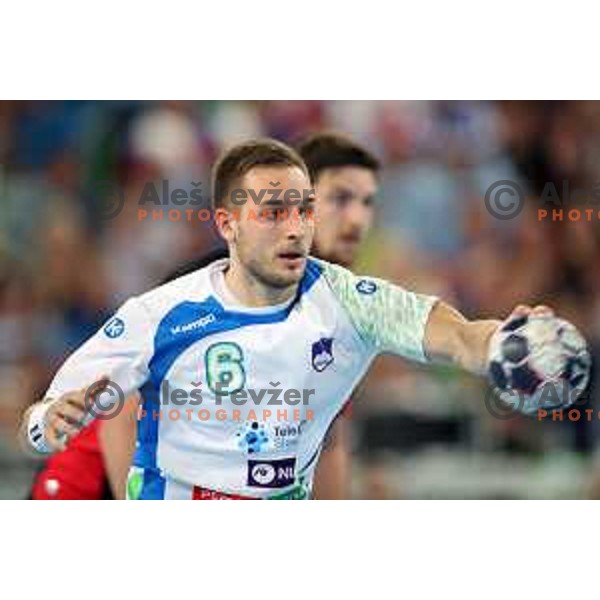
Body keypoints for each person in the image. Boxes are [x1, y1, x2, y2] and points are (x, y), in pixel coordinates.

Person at [21, 138, 558, 500]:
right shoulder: (163, 310)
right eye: (275, 211)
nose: (298, 227)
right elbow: (52, 419)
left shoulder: (353, 301)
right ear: (227, 225)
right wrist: (49, 423)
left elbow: (458, 335)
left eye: (304, 209)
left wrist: (506, 342)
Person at [29, 132, 380, 500]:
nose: (356, 219)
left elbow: (327, 441)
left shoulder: (335, 308)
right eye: (337, 200)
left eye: (367, 202)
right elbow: (122, 416)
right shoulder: (210, 291)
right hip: (86, 484)